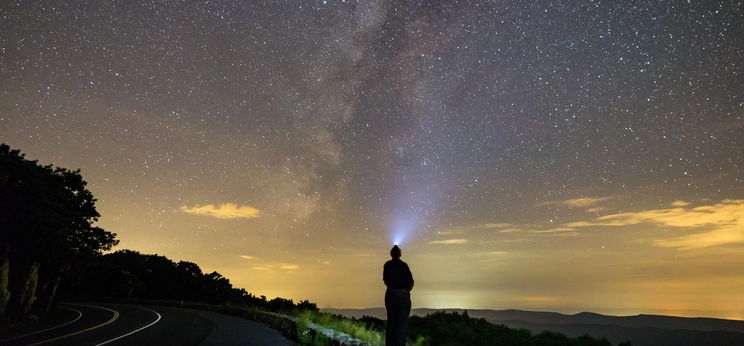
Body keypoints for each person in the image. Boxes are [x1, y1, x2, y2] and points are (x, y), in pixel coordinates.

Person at [383, 245, 414, 346]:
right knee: (402, 324)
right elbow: (411, 282)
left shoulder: (387, 265)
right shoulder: (404, 265)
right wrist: (405, 291)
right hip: (403, 295)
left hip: (391, 294)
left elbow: (386, 280)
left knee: (391, 322)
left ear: (391, 254)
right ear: (399, 254)